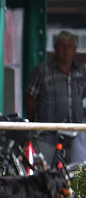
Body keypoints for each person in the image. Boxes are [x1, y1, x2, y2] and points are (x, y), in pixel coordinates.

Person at [25, 31, 86, 164]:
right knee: (46, 179)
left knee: (77, 179)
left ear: (75, 49)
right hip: (47, 138)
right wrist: (36, 125)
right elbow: (30, 100)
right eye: (62, 45)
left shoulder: (82, 71)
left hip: (76, 140)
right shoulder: (42, 70)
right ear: (55, 48)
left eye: (70, 46)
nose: (66, 49)